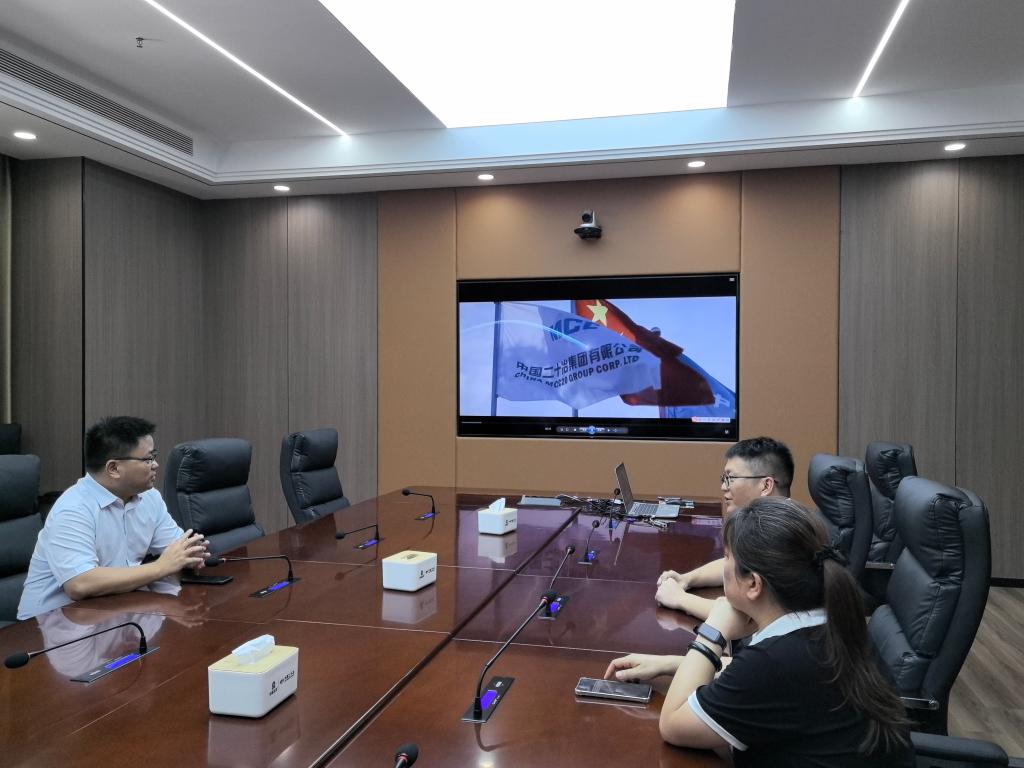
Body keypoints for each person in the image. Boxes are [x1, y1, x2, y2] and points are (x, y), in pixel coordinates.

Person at [605, 498, 912, 766]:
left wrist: (714, 631)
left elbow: (673, 724)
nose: (723, 565)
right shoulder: (829, 621)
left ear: (753, 584)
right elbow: (759, 678)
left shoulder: (776, 661)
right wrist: (671, 664)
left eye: (727, 557)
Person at [17, 416, 208, 620]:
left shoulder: (149, 497)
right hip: (49, 624)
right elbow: (80, 584)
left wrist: (191, 556)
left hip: (112, 611)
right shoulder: (73, 509)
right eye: (147, 459)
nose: (155, 465)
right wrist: (161, 567)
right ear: (114, 468)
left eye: (154, 456)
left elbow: (177, 550)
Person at [655, 436, 793, 620]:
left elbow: (747, 618)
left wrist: (679, 598)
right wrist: (687, 579)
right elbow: (735, 564)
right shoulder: (772, 519)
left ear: (766, 485)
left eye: (731, 478)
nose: (723, 487)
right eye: (724, 478)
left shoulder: (782, 534)